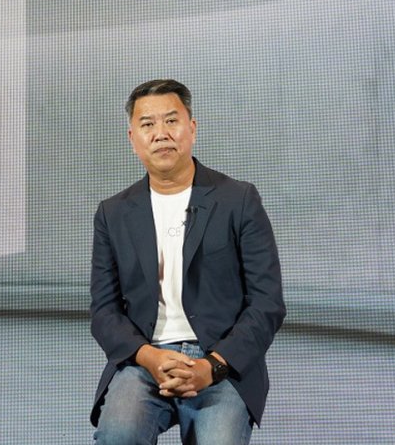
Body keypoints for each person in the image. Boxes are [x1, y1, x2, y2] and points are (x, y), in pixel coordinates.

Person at [89, 79, 285, 444]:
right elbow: (104, 312)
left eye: (171, 121)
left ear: (192, 128)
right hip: (144, 361)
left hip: (220, 361)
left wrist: (213, 366)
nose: (161, 134)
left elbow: (267, 303)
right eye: (147, 124)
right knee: (118, 435)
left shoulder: (238, 200)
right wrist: (148, 357)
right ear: (132, 139)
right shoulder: (112, 214)